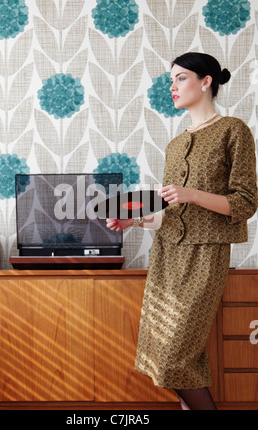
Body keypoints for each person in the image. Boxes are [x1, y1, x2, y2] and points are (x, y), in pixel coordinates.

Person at [106, 52, 258, 410]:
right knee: (163, 354)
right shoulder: (175, 145)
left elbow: (246, 203)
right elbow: (173, 211)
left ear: (206, 82)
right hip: (167, 255)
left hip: (207, 253)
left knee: (174, 357)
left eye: (181, 78)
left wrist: (193, 194)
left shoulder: (233, 131)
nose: (172, 87)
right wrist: (136, 220)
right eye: (170, 80)